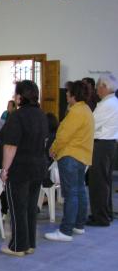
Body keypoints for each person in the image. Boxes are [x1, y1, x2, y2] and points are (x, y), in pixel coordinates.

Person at [0, 80, 48, 257]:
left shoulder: (17, 116)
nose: (14, 97)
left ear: (20, 97)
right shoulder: (41, 115)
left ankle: (18, 246)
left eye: (15, 94)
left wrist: (5, 170)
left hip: (20, 169)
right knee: (29, 206)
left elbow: (10, 146)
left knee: (17, 208)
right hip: (38, 166)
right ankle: (30, 243)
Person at [45, 81, 94, 241]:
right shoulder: (86, 110)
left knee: (70, 193)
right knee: (79, 190)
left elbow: (63, 135)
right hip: (82, 157)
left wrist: (53, 149)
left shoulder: (76, 112)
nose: (66, 94)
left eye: (68, 92)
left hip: (70, 156)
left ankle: (65, 231)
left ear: (74, 94)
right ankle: (78, 225)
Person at [87, 74, 118, 227]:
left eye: (98, 86)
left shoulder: (108, 104)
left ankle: (100, 217)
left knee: (98, 182)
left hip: (102, 145)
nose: (96, 90)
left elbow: (91, 123)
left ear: (105, 87)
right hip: (108, 145)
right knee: (105, 182)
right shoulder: (111, 102)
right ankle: (105, 214)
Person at [41, 113, 60, 189]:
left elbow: (47, 155)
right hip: (57, 171)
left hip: (50, 173)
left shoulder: (49, 137)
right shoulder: (57, 135)